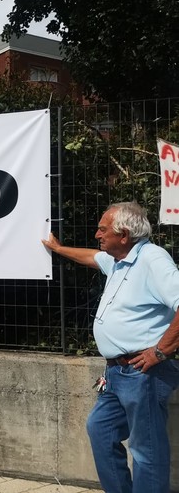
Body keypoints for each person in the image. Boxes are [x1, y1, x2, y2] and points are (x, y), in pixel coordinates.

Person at [42, 201, 179, 493]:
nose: (97, 234)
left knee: (146, 450)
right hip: (116, 374)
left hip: (143, 372)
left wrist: (161, 351)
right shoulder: (118, 260)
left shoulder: (153, 260)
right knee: (100, 430)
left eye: (103, 229)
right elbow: (91, 257)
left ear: (124, 234)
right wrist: (58, 248)